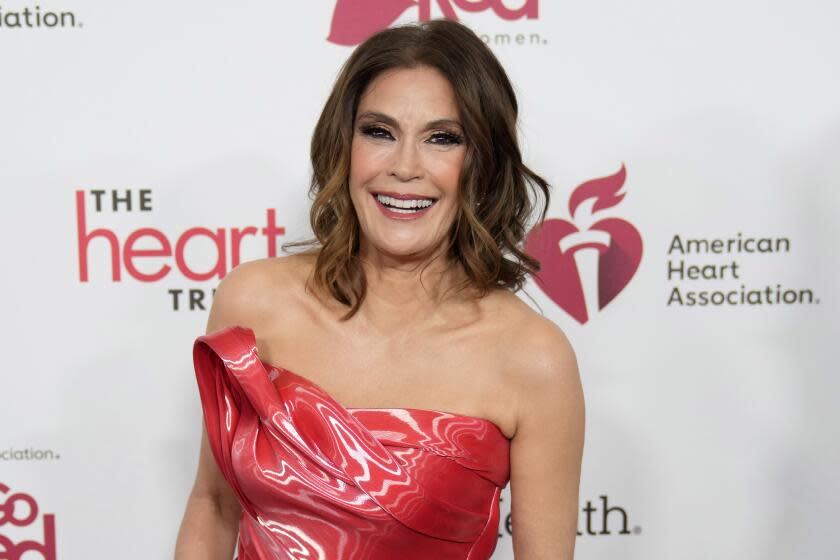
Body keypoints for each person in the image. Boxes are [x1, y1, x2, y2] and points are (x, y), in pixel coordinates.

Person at [174, 18, 584, 560]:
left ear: (482, 162)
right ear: (344, 146)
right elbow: (214, 505)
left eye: (443, 138)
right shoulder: (254, 303)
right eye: (379, 132)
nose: (405, 168)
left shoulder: (533, 358)